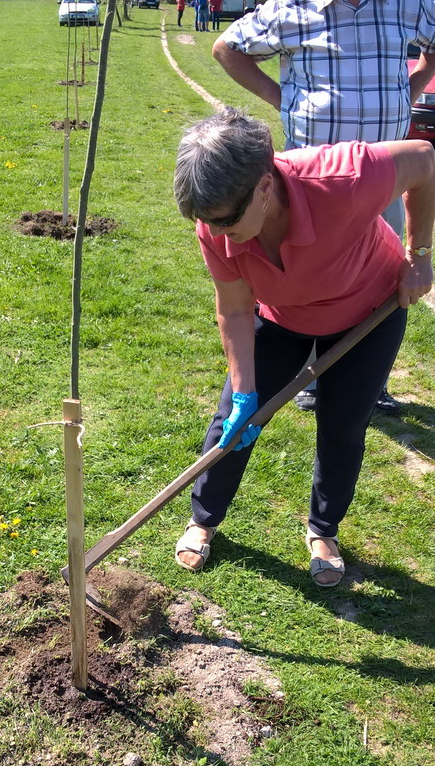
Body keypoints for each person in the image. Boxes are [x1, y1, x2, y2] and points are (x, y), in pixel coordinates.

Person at [173, 108, 434, 586]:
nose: (217, 232)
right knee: (233, 418)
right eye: (207, 221)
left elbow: (423, 158)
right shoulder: (215, 223)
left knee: (343, 425)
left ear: (264, 186)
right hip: (280, 317)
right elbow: (235, 309)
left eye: (226, 220)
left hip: (366, 314)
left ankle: (323, 530)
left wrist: (418, 254)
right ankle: (203, 519)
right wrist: (245, 391)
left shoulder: (346, 177)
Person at [212, 0, 435, 413]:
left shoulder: (409, 3)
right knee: (309, 282)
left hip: (385, 177)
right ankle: (312, 380)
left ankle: (370, 383)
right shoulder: (291, 7)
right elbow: (227, 48)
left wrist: (414, 85)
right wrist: (281, 98)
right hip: (313, 187)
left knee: (380, 284)